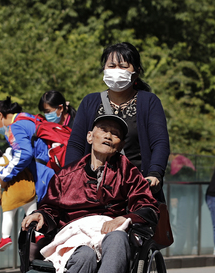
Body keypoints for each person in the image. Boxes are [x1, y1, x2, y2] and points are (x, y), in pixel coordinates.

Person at [20, 114, 159, 273]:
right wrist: (42, 215)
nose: (108, 135)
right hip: (77, 236)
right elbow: (51, 206)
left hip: (113, 235)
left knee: (116, 237)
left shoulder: (130, 173)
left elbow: (147, 206)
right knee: (83, 255)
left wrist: (124, 219)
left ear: (121, 144)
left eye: (115, 134)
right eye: (103, 130)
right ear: (89, 136)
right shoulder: (67, 174)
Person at [65, 42, 170, 202]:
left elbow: (160, 143)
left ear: (136, 72)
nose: (116, 71)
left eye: (123, 66)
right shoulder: (90, 102)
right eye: (112, 66)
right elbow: (76, 144)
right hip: (93, 190)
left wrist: (155, 173)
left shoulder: (148, 102)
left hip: (137, 189)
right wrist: (71, 177)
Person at [0, 97, 56, 273]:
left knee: (32, 242)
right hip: (55, 176)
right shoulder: (30, 119)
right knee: (46, 240)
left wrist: (5, 175)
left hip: (44, 181)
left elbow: (24, 154)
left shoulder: (15, 126)